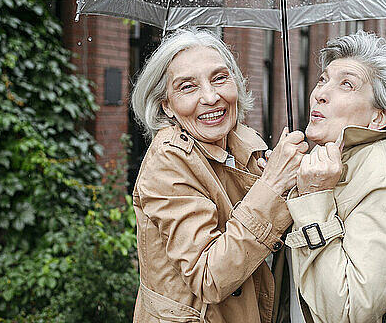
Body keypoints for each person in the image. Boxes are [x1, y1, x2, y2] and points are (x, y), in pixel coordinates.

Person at [130, 28, 307, 323]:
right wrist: (272, 186)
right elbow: (209, 278)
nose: (211, 97)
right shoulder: (167, 164)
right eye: (187, 87)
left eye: (219, 78)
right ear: (166, 105)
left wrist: (297, 186)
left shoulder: (242, 145)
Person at [284, 31, 386, 323]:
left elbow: (348, 312)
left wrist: (315, 197)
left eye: (346, 84)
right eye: (323, 79)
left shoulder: (385, 183)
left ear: (379, 117)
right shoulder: (332, 163)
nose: (320, 93)